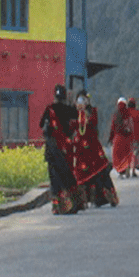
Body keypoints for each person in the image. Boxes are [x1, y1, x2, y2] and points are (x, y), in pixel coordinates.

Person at [37, 85, 81, 215]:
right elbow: (77, 115)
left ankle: (58, 207)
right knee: (67, 175)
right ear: (64, 96)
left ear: (54, 96)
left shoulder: (49, 109)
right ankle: (72, 203)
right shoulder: (67, 109)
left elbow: (41, 124)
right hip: (64, 148)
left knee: (54, 178)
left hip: (51, 149)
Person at [73, 92, 118, 207]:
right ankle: (85, 201)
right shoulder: (75, 114)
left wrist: (85, 112)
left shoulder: (92, 112)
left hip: (93, 149)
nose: (81, 103)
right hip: (81, 151)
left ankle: (105, 198)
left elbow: (92, 125)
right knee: (82, 176)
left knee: (100, 173)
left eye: (83, 100)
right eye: (79, 100)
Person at [109, 97, 137, 178]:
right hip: (127, 138)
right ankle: (127, 166)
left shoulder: (116, 114)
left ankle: (121, 172)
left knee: (118, 156)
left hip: (118, 138)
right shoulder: (128, 114)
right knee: (127, 154)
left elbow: (113, 127)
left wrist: (110, 138)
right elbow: (131, 126)